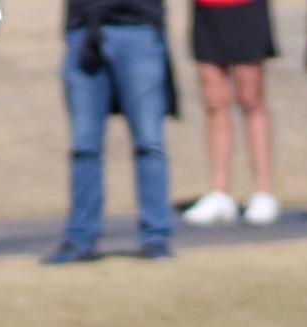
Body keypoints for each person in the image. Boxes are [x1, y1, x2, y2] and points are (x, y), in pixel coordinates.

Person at [45, 0, 176, 264]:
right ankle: (80, 238)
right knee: (84, 146)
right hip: (83, 27)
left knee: (149, 143)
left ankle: (156, 237)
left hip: (138, 25)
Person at [183, 0, 280, 226]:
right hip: (207, 10)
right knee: (214, 101)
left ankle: (262, 192)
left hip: (246, 8)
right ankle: (220, 192)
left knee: (250, 98)